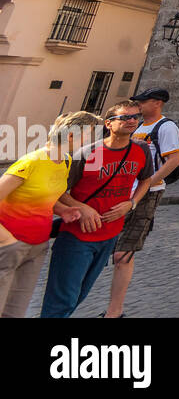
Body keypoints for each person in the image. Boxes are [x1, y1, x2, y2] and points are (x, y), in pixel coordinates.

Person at [40, 101, 153, 318]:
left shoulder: (141, 150)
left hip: (109, 235)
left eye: (136, 117)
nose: (132, 121)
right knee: (63, 298)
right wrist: (81, 207)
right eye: (125, 117)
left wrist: (132, 203)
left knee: (80, 294)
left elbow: (146, 180)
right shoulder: (89, 153)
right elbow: (59, 190)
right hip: (77, 236)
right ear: (109, 123)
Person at [0, 110, 101, 318]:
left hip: (37, 247)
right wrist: (7, 240)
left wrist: (63, 210)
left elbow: (45, 194)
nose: (91, 141)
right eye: (88, 135)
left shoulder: (64, 161)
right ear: (71, 135)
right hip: (10, 246)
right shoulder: (31, 162)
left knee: (15, 311)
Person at [105, 87, 179, 318]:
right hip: (121, 192)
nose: (137, 108)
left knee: (123, 253)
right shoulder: (137, 126)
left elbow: (174, 160)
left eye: (142, 102)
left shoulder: (166, 127)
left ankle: (114, 311)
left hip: (146, 194)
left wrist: (147, 184)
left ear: (157, 103)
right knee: (106, 246)